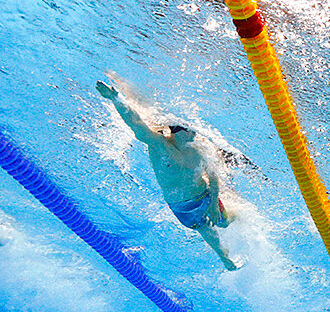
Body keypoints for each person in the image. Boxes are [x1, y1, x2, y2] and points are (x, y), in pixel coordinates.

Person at [95, 79, 241, 270]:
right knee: (202, 227)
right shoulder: (159, 145)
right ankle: (224, 258)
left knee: (227, 222)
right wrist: (116, 98)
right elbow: (136, 124)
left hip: (206, 195)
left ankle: (240, 212)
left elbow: (213, 176)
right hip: (182, 205)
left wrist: (214, 203)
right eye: (192, 132)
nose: (196, 136)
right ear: (180, 131)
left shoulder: (198, 148)